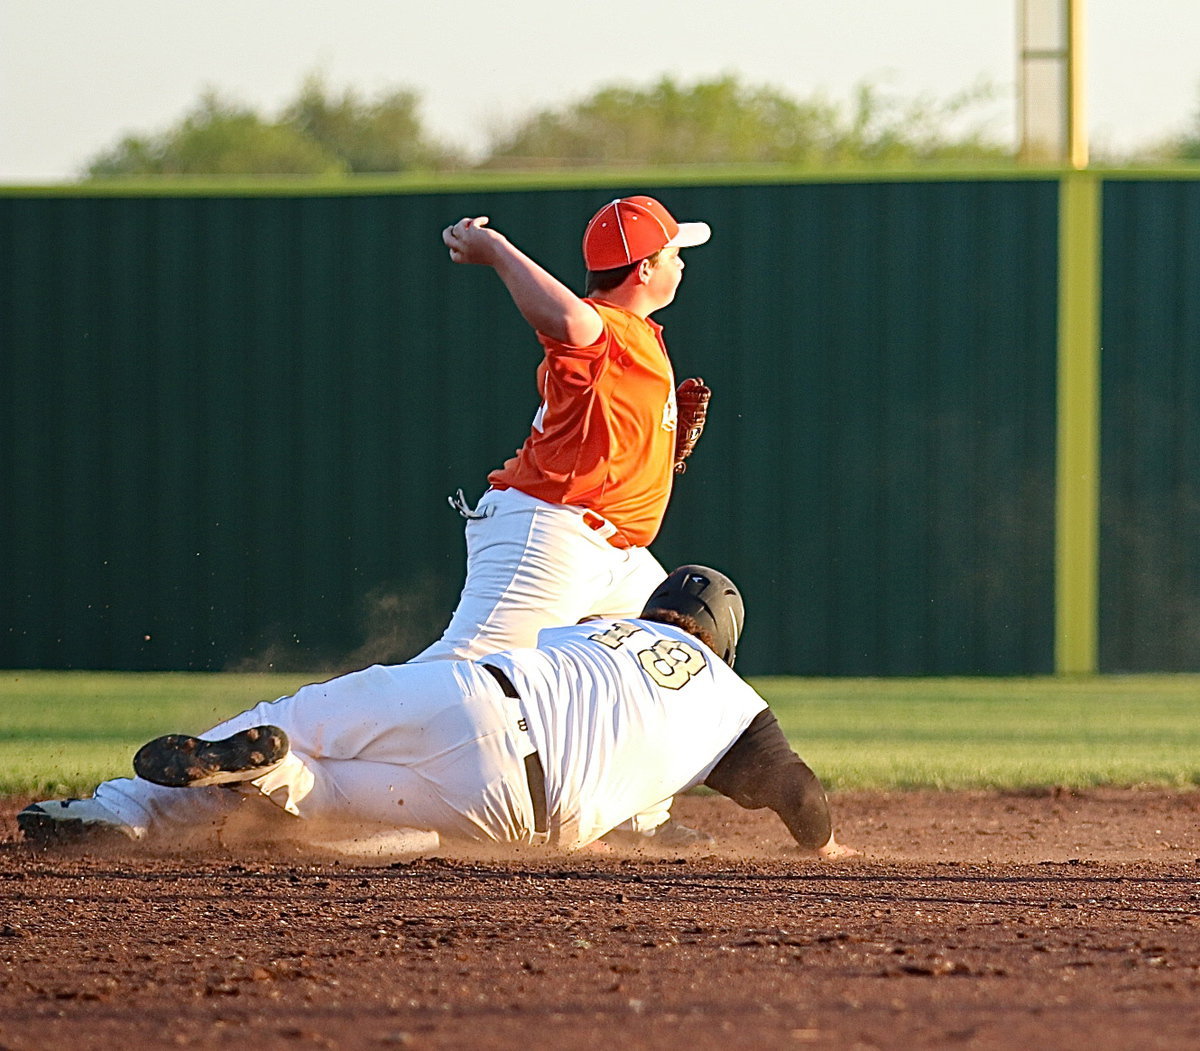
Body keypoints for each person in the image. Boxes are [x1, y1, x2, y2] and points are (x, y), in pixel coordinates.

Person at [19, 566, 856, 860]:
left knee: (298, 717)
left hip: (477, 697)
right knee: (330, 801)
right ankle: (275, 778)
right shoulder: (735, 705)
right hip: (524, 816)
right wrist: (821, 845)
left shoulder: (604, 625)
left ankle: (123, 810)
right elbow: (801, 796)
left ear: (656, 611)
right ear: (725, 643)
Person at [411, 195, 713, 665]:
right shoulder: (605, 328)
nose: (682, 263)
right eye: (673, 254)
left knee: (669, 659)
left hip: (613, 552)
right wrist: (496, 250)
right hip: (552, 533)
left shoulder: (632, 335)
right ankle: (309, 714)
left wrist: (654, 454)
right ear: (644, 269)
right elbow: (570, 321)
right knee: (463, 675)